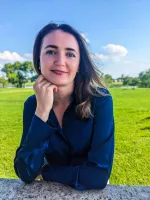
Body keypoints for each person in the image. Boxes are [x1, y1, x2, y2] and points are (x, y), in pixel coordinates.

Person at [14, 23, 115, 190]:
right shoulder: (32, 104)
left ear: (79, 64)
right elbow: (25, 172)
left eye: (70, 54)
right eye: (51, 51)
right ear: (38, 59)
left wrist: (47, 171)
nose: (60, 62)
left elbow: (98, 176)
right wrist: (42, 112)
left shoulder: (100, 100)